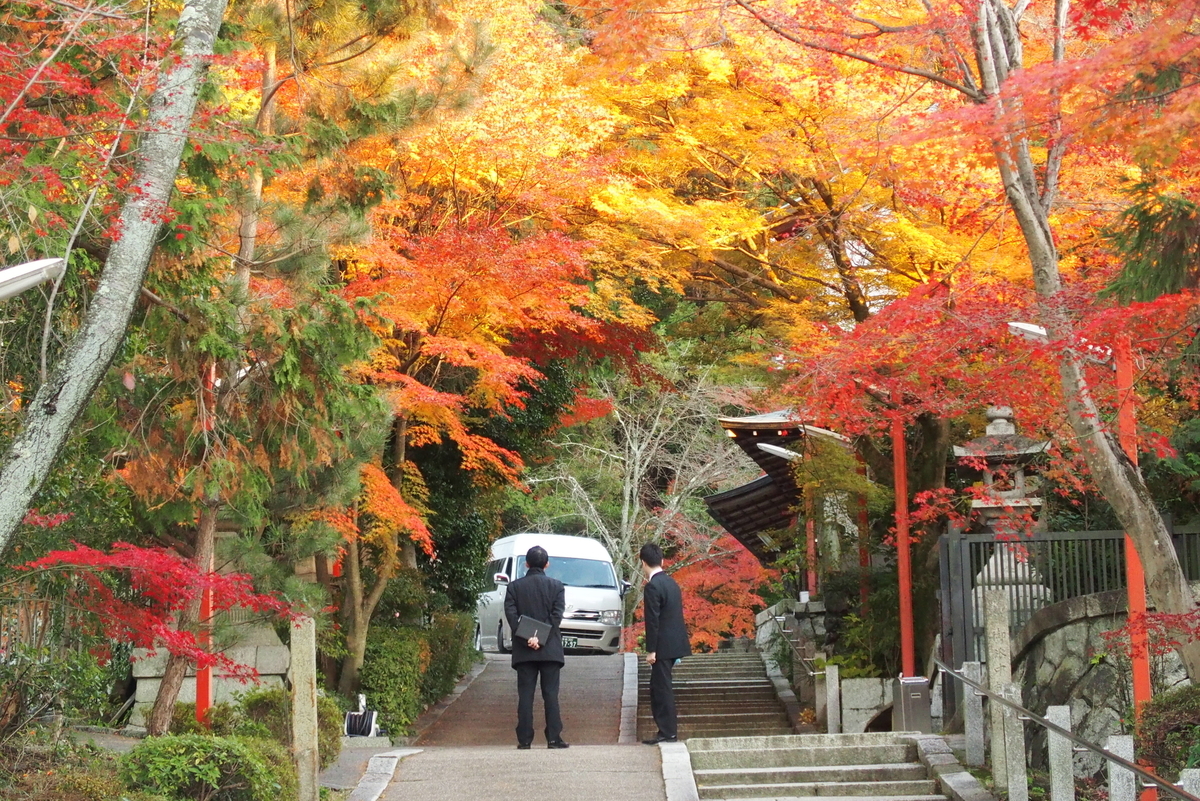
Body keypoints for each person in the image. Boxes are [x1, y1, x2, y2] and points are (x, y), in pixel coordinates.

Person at [503, 545, 569, 749]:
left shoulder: (514, 587)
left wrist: (528, 639)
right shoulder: (556, 586)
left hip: (524, 651)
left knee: (525, 695)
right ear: (547, 564)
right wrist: (540, 638)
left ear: (526, 564)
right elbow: (556, 616)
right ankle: (553, 737)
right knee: (550, 694)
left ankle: (524, 739)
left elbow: (512, 617)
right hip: (549, 648)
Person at [639, 541, 691, 744]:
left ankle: (667, 731)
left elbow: (653, 621)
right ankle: (666, 731)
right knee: (661, 686)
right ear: (661, 560)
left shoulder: (653, 586)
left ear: (643, 562)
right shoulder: (672, 583)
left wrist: (651, 650)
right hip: (675, 642)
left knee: (661, 689)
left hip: (662, 646)